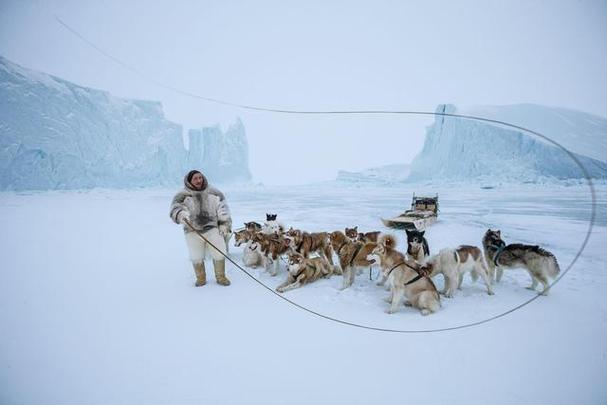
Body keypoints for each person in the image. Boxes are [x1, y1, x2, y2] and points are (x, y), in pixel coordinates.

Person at [170, 170, 233, 286]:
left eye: (200, 177)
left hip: (212, 229)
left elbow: (223, 208)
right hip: (192, 231)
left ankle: (221, 277)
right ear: (189, 181)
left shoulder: (214, 192)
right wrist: (180, 214)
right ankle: (201, 278)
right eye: (195, 178)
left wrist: (224, 224)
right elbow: (175, 208)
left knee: (219, 252)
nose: (199, 180)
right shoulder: (182, 195)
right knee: (196, 256)